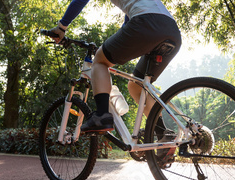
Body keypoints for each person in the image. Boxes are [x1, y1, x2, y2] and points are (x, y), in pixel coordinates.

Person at [49, 0, 181, 134]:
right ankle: (163, 134)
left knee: (100, 62)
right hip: (172, 31)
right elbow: (127, 22)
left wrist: (61, 27)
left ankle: (101, 116)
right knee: (137, 85)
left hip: (146, 22)